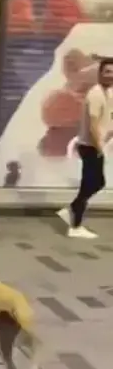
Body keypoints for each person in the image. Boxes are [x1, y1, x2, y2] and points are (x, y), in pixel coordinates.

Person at [58, 57, 113, 239]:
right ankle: (75, 224)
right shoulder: (95, 94)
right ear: (100, 74)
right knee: (92, 183)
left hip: (94, 145)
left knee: (93, 183)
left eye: (112, 72)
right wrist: (99, 147)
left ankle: (73, 212)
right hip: (90, 146)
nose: (110, 75)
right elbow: (93, 124)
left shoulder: (109, 92)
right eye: (107, 72)